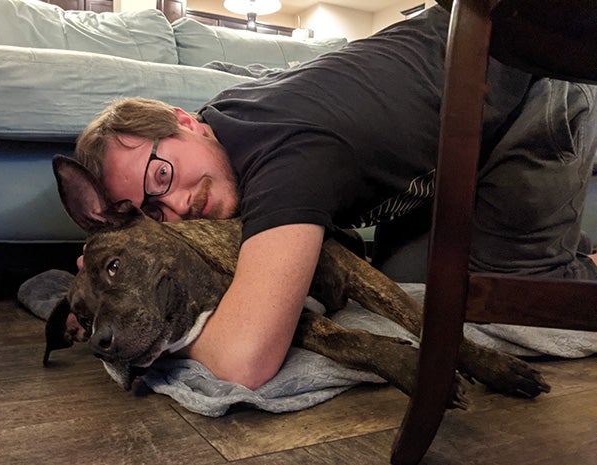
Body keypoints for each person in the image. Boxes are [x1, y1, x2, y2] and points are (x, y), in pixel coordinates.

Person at [72, 5, 597, 389]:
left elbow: (245, 359)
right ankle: (546, 235)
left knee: (518, 298)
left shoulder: (283, 156)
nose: (178, 207)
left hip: (536, 86)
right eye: (153, 212)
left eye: (162, 176)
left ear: (185, 121)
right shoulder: (222, 121)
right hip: (448, 166)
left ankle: (573, 259)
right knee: (412, 281)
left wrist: (149, 336)